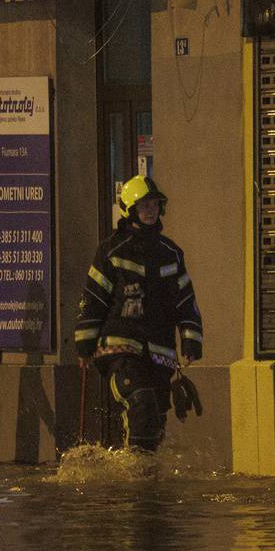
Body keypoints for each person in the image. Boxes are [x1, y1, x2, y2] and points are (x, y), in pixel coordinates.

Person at [73, 174, 203, 453]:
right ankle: (134, 473)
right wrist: (84, 345)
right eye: (144, 205)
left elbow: (185, 300)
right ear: (130, 209)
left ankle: (140, 476)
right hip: (121, 349)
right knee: (141, 404)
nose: (151, 210)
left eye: (154, 204)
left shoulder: (171, 253)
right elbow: (93, 298)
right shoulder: (111, 250)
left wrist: (191, 339)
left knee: (155, 419)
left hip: (159, 353)